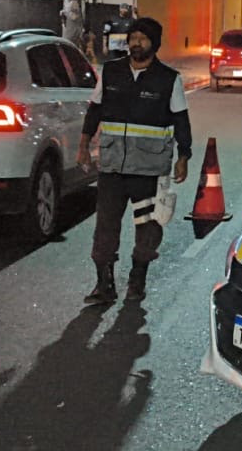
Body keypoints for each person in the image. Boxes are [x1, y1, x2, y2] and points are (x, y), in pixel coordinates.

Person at [78, 17, 192, 306]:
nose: (136, 43)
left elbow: (181, 120)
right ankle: (103, 285)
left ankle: (137, 278)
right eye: (133, 38)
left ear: (154, 43)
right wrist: (83, 145)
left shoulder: (168, 79)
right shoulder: (112, 72)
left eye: (142, 38)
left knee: (148, 228)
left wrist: (184, 156)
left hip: (148, 170)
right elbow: (95, 110)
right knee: (105, 228)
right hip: (113, 167)